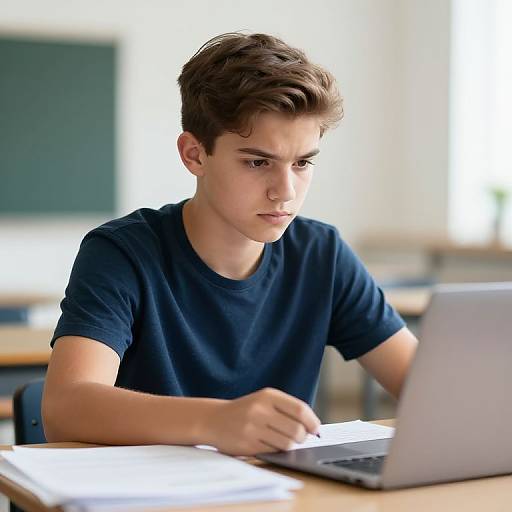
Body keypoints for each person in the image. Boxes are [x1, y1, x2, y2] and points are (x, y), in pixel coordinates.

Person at [42, 32, 418, 456]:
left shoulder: (322, 253)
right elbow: (64, 408)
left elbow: (428, 389)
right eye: (258, 162)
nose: (285, 191)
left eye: (302, 163)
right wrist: (215, 421)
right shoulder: (122, 253)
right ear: (194, 155)